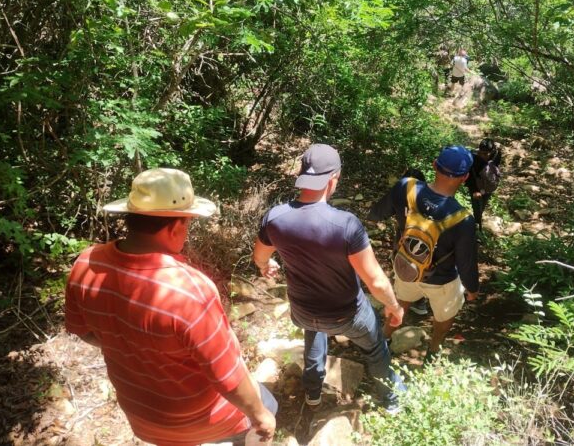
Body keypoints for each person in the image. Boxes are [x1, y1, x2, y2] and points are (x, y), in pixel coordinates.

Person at [65, 168, 277, 446]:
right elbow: (227, 376)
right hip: (202, 420)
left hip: (142, 419)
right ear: (175, 227)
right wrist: (260, 415)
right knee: (269, 405)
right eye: (187, 224)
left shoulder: (86, 263)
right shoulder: (189, 290)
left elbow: (84, 331)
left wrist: (134, 347)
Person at [252, 144, 405, 411]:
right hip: (348, 315)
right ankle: (391, 399)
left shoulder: (275, 218)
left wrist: (267, 266)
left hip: (303, 311)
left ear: (302, 175)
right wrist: (394, 306)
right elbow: (376, 281)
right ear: (334, 178)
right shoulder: (345, 224)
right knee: (375, 349)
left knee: (314, 329)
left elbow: (260, 257)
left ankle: (313, 393)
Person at [368, 146, 479, 360]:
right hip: (442, 281)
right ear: (464, 177)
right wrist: (472, 289)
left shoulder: (405, 187)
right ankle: (434, 350)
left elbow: (375, 214)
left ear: (434, 165)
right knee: (444, 316)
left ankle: (383, 341)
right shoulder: (463, 219)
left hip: (405, 266)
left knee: (401, 302)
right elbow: (466, 263)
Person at [465, 138, 503, 237]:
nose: (482, 156)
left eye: (486, 154)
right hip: (476, 189)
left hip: (488, 187)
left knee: (482, 206)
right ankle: (477, 228)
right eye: (481, 153)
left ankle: (478, 224)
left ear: (492, 151)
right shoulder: (473, 158)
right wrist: (474, 190)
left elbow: (495, 167)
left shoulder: (496, 154)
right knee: (477, 208)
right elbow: (469, 176)